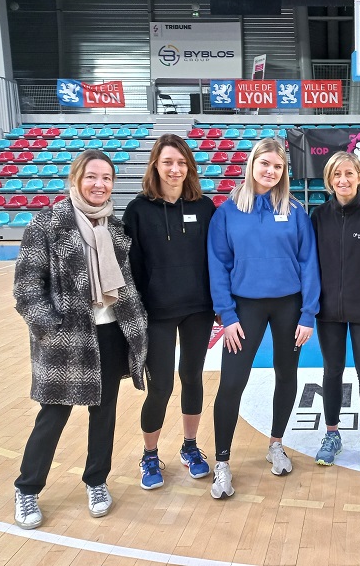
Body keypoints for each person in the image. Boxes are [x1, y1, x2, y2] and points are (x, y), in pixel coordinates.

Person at [12, 149, 147, 529]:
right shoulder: (47, 224)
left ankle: (97, 481)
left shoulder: (116, 229)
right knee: (52, 415)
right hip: (65, 340)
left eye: (106, 178)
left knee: (104, 416)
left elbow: (128, 286)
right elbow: (26, 289)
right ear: (76, 179)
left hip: (110, 334)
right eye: (92, 176)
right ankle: (27, 488)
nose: (99, 184)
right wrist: (49, 328)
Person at [207, 138, 319, 499]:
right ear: (252, 163)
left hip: (289, 306)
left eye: (278, 166)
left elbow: (308, 263)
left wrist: (308, 313)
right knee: (232, 383)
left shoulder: (295, 210)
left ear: (284, 171)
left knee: (287, 375)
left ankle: (276, 443)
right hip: (244, 309)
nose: (271, 171)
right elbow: (218, 265)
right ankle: (222, 462)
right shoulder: (226, 212)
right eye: (265, 163)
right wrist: (227, 314)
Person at [122, 134, 217, 490]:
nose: (175, 169)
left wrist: (220, 305)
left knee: (191, 378)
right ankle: (149, 455)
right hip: (156, 313)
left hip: (198, 310)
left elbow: (216, 261)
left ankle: (190, 447)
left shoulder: (206, 208)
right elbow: (130, 267)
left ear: (189, 166)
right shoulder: (138, 210)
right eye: (167, 163)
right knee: (160, 386)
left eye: (181, 162)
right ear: (156, 166)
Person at [310, 151, 360, 470]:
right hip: (327, 310)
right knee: (332, 372)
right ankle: (332, 435)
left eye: (349, 173)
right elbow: (310, 262)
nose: (343, 180)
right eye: (336, 175)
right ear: (329, 180)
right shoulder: (317, 216)